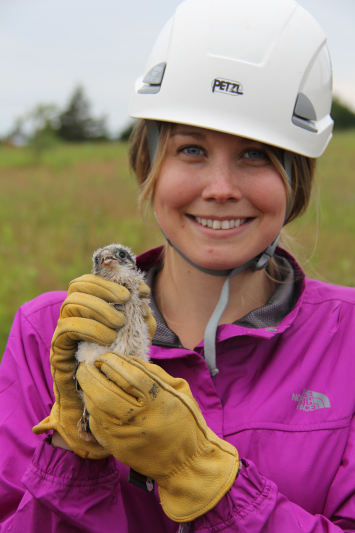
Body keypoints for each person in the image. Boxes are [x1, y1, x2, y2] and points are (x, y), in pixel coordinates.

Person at [0, 0, 354, 531]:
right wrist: (74, 457)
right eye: (191, 149)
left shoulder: (346, 338)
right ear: (149, 166)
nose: (220, 188)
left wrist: (208, 481)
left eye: (256, 154)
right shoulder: (51, 336)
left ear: (295, 179)